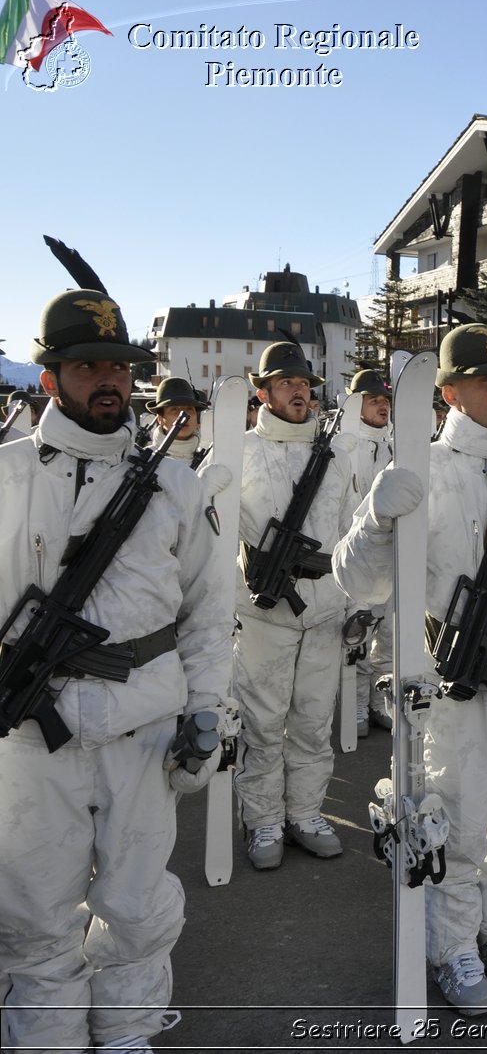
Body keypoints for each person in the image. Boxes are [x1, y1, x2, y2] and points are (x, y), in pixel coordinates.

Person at [0, 289, 231, 1051]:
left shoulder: (173, 483)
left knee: (136, 906)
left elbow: (205, 609)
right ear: (49, 380)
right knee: (33, 915)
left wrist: (206, 709)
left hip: (144, 732)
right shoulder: (5, 480)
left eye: (118, 365)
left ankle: (128, 1033)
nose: (108, 379)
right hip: (32, 739)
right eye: (86, 364)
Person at [333, 324, 487, 1012]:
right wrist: (376, 519)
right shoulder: (422, 468)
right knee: (460, 825)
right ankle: (455, 947)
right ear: (447, 392)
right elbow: (359, 582)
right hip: (454, 684)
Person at [235, 340, 358, 869]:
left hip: (325, 606)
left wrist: (359, 599)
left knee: (311, 721)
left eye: (304, 383)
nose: (299, 391)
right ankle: (263, 820)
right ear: (262, 392)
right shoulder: (237, 451)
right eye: (285, 382)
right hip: (263, 610)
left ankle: (305, 812)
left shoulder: (337, 455)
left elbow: (354, 528)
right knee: (262, 723)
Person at [331, 368, 395, 736]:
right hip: (356, 556)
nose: (381, 406)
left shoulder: (394, 445)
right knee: (357, 637)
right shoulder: (344, 449)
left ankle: (378, 702)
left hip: (390, 555)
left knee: (389, 638)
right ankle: (353, 707)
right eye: (373, 401)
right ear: (357, 406)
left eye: (385, 401)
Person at [146, 376, 208, 466]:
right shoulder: (146, 461)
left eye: (189, 409)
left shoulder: (207, 462)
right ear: (160, 419)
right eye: (174, 409)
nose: (184, 415)